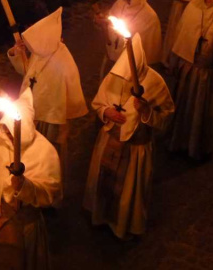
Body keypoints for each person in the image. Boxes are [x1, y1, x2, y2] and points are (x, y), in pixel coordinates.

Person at [83, 34, 174, 240]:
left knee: (128, 194)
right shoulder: (114, 76)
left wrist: (145, 112)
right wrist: (106, 112)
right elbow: (98, 103)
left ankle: (121, 225)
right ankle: (99, 216)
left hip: (135, 149)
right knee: (102, 183)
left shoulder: (155, 83)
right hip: (109, 140)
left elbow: (166, 118)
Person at [0, 89, 62, 269]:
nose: (11, 137)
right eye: (8, 131)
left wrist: (25, 186)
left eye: (15, 133)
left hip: (25, 225)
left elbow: (49, 193)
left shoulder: (45, 151)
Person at [7, 7, 88, 173]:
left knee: (46, 157)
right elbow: (28, 73)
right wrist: (18, 52)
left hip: (50, 122)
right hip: (33, 113)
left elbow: (62, 99)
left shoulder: (63, 62)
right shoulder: (42, 51)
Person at [167, 0, 213, 161]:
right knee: (184, 106)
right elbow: (181, 32)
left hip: (209, 74)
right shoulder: (194, 5)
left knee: (203, 109)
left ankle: (198, 148)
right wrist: (174, 61)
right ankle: (180, 141)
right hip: (188, 66)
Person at [95, 0, 162, 80]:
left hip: (131, 72)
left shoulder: (150, 18)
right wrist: (102, 23)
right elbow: (110, 30)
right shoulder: (119, 4)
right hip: (112, 61)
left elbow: (149, 59)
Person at [161, 0, 191, 69]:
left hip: (191, 8)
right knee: (173, 33)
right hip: (181, 6)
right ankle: (170, 60)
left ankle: (176, 64)